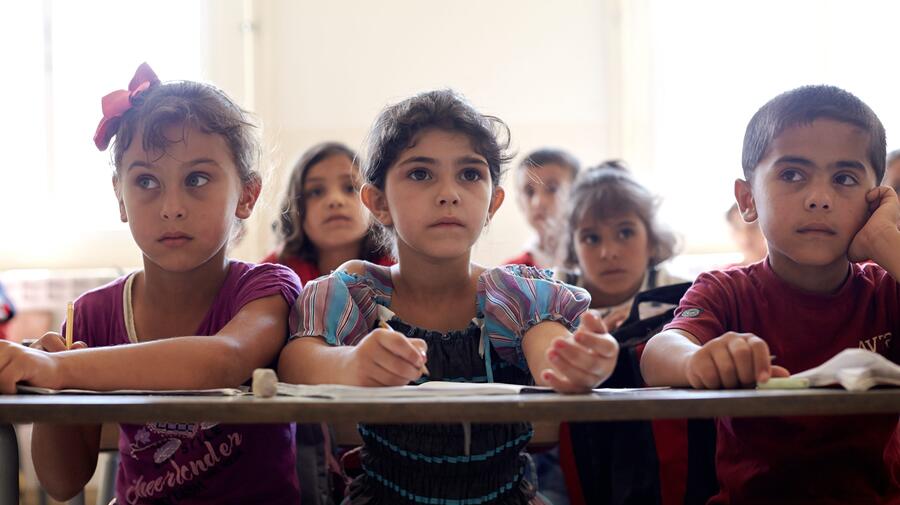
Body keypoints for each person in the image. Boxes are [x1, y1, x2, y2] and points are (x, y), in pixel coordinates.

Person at [278, 89, 619, 504]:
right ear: (379, 202)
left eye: (470, 174)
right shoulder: (358, 289)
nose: (449, 193)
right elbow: (296, 361)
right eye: (421, 174)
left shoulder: (514, 293)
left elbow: (552, 353)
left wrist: (576, 363)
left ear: (493, 203)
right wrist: (351, 363)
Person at [0, 63, 302, 504]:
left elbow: (225, 359)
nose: (171, 206)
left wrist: (58, 370)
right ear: (120, 197)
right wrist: (57, 388)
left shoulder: (265, 289)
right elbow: (63, 483)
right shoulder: (90, 314)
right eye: (146, 181)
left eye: (197, 179)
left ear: (247, 195)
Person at [641, 84, 900, 504]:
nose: (819, 199)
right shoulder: (726, 290)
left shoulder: (887, 291)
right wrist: (698, 360)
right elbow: (658, 353)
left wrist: (887, 239)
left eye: (844, 179)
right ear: (747, 199)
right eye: (792, 174)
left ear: (875, 200)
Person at [557, 160, 683, 331]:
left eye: (625, 233)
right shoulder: (554, 296)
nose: (609, 252)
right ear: (573, 248)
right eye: (592, 239)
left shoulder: (680, 295)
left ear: (652, 239)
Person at [264, 142, 392, 284]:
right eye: (316, 192)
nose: (335, 200)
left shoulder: (399, 268)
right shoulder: (272, 274)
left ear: (375, 200)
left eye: (350, 188)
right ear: (294, 209)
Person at [504, 148, 579, 268]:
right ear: (519, 202)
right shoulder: (509, 272)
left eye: (552, 189)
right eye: (529, 192)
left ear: (576, 195)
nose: (538, 202)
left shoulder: (594, 259)